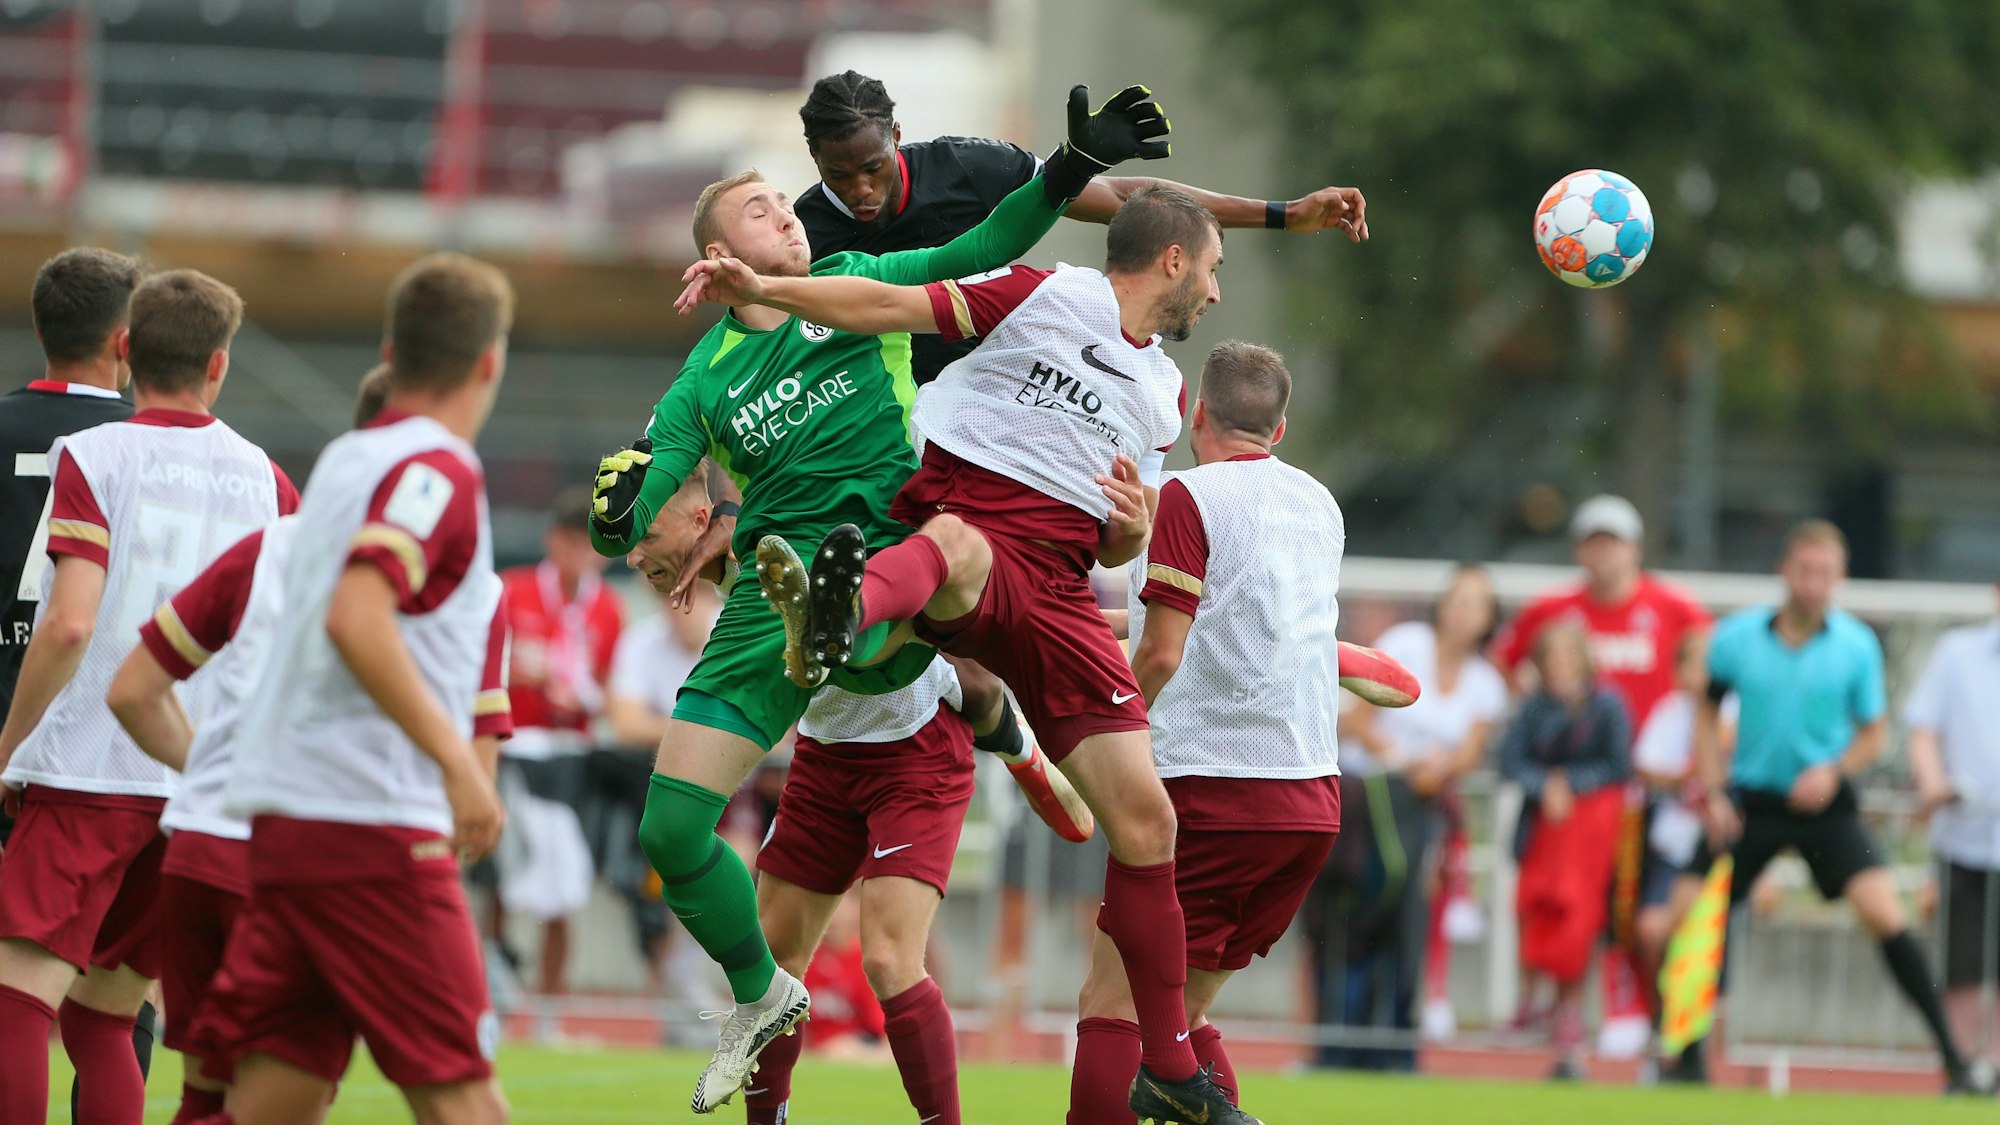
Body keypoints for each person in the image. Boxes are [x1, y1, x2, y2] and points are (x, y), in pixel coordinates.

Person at [584, 84, 1164, 1111]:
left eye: (780, 201)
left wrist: (1069, 164)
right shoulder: (704, 375)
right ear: (720, 255)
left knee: (916, 620)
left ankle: (994, 722)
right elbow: (649, 489)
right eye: (762, 210)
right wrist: (617, 508)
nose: (791, 215)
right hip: (776, 600)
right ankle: (764, 998)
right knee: (670, 832)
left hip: (884, 553)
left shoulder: (855, 279)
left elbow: (987, 236)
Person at [721, 186, 1256, 1124]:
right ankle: (848, 616)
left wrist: (1131, 531)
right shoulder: (1047, 291)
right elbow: (892, 306)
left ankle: (1169, 1068)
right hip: (964, 542)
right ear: (1173, 259)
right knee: (959, 544)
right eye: (1213, 267)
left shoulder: (1167, 393)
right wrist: (776, 285)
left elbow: (1113, 547)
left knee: (1148, 823)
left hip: (1056, 593)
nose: (1215, 291)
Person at [101, 363, 514, 1124]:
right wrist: (460, 786)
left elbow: (130, 689)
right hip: (353, 844)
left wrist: (217, 775)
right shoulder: (474, 581)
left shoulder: (270, 546)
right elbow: (478, 758)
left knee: (222, 1096)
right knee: (454, 1091)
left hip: (203, 848)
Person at [194, 252, 515, 1125]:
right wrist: (459, 765)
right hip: (372, 820)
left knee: (274, 1093)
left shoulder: (342, 460)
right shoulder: (437, 470)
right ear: (489, 361)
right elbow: (356, 611)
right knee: (463, 1097)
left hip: (288, 821)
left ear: (390, 349)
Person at [0, 267, 296, 1125]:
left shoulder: (96, 455)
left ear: (127, 351)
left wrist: (12, 746)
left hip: (90, 764)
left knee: (18, 1003)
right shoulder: (266, 476)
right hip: (194, 781)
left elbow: (67, 625)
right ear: (221, 365)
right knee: (106, 1017)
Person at [625, 467, 982, 1125]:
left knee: (890, 957)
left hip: (915, 744)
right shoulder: (744, 533)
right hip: (824, 752)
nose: (634, 555)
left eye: (648, 537)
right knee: (771, 962)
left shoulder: (857, 461)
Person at [1061, 343, 1342, 1123]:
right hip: (1310, 802)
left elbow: (1162, 651)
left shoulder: (1185, 495)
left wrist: (1102, 724)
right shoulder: (1320, 503)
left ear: (1197, 416)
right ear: (1280, 429)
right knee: (1182, 1019)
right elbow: (1249, 621)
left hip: (1210, 791)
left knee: (1113, 1002)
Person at [794, 70, 1367, 388]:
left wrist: (1282, 213)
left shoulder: (969, 167)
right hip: (880, 414)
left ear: (896, 136)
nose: (862, 190)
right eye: (838, 175)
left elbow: (1122, 199)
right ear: (814, 159)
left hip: (1002, 384)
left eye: (873, 169)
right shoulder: (801, 233)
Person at [1676, 519, 1978, 1093]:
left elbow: (1872, 733)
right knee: (1689, 913)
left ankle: (1954, 1060)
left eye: (1825, 573)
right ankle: (1685, 1055)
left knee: (1885, 914)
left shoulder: (1855, 645)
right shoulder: (1735, 638)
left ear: (1838, 578)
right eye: (1804, 570)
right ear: (1784, 571)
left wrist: (1832, 769)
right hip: (1753, 802)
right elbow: (1706, 714)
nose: (1813, 583)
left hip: (1824, 803)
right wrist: (1713, 793)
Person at [0, 247, 152, 1114]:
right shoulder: (160, 451)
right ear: (126, 343)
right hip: (111, 747)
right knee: (109, 1010)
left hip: (11, 724)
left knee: (11, 996)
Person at [1490, 494, 1711, 1052]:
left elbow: (1709, 662)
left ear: (1635, 550)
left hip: (1647, 793)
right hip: (1575, 805)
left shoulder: (1674, 608)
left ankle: (1633, 1009)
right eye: (1593, 541)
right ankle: (1562, 1008)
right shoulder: (1552, 610)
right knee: (1559, 903)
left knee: (1627, 909)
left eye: (1613, 542)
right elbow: (1505, 661)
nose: (1603, 554)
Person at [1323, 565, 1506, 1067]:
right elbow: (1359, 720)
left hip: (1423, 813)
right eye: (1459, 598)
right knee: (1355, 919)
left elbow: (1469, 752)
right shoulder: (1405, 641)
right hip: (1369, 798)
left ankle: (1396, 1046)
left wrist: (1436, 769)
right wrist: (1407, 763)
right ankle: (1338, 1046)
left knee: (1408, 927)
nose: (1465, 610)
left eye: (1478, 603)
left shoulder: (1487, 682)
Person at [495, 486, 623, 998]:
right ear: (553, 541)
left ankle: (549, 1002)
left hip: (573, 757)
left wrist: (581, 693)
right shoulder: (511, 591)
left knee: (568, 884)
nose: (584, 557)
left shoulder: (609, 610)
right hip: (512, 748)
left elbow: (613, 694)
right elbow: (474, 669)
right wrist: (518, 671)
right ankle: (493, 981)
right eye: (575, 543)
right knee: (501, 874)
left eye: (593, 546)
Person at [1496, 624, 1632, 1080]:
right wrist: (1545, 787)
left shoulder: (1606, 705)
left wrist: (1569, 786)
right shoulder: (1533, 708)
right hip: (1541, 833)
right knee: (1534, 910)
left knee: (1577, 920)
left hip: (1588, 837)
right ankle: (1532, 999)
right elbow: (1511, 761)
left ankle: (1568, 1010)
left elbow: (1618, 765)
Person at [1907, 583, 2000, 1075]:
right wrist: (1934, 783)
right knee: (1962, 962)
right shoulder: (1957, 653)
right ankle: (1965, 1067)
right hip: (1964, 833)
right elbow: (1923, 728)